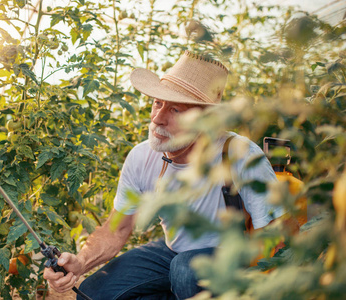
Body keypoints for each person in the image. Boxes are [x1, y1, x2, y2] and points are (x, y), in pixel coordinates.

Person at [43, 50, 285, 299]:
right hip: (173, 252)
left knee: (186, 271)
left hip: (232, 256)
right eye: (158, 103)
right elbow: (118, 227)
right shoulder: (141, 157)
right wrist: (80, 262)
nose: (158, 118)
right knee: (93, 292)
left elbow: (277, 234)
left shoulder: (238, 154)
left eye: (176, 110)